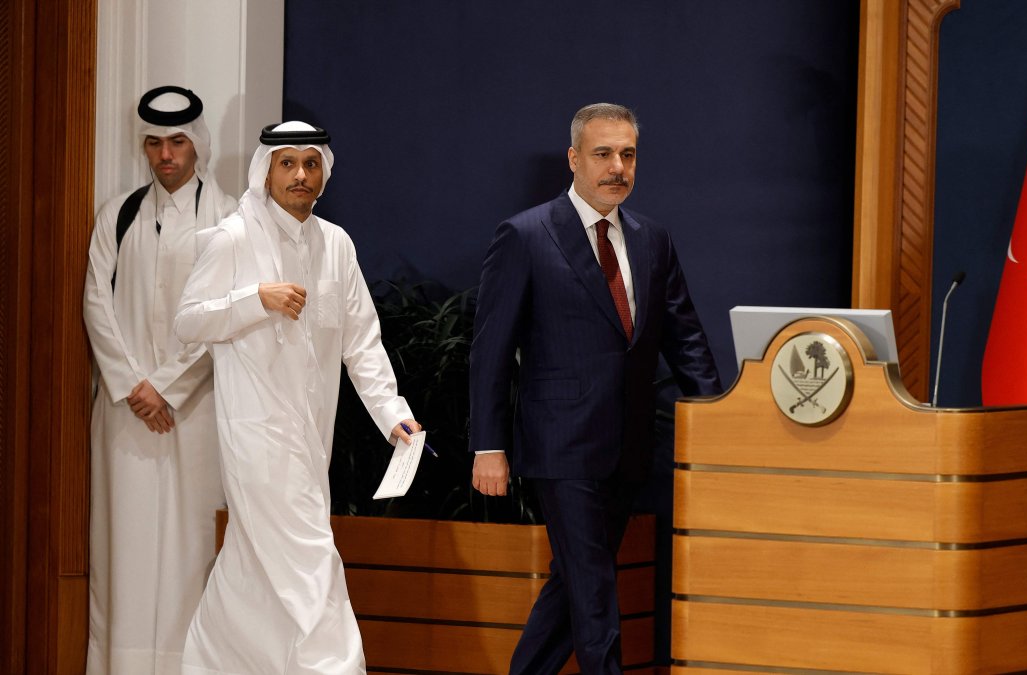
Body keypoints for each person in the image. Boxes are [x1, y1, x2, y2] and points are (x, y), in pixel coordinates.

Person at [469, 102, 722, 674]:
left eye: (627, 154)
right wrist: (489, 445)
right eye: (603, 153)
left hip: (629, 448)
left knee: (576, 586)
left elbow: (685, 339)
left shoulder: (653, 239)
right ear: (574, 159)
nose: (617, 167)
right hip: (561, 448)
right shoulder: (527, 235)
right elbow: (489, 350)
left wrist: (718, 421)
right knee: (595, 596)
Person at [172, 121, 420, 675]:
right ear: (266, 170)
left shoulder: (336, 243)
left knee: (252, 565)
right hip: (255, 434)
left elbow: (363, 343)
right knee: (310, 558)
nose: (301, 175)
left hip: (312, 438)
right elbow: (187, 322)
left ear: (324, 172)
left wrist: (393, 416)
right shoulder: (233, 237)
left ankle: (215, 666)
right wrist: (253, 298)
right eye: (287, 163)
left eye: (311, 163)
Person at [83, 85, 237, 675]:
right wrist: (132, 385)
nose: (165, 154)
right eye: (154, 143)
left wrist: (168, 386)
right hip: (125, 412)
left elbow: (227, 312)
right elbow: (96, 300)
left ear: (196, 143)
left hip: (193, 412)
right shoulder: (117, 214)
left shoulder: (228, 219)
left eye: (176, 141)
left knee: (190, 545)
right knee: (122, 544)